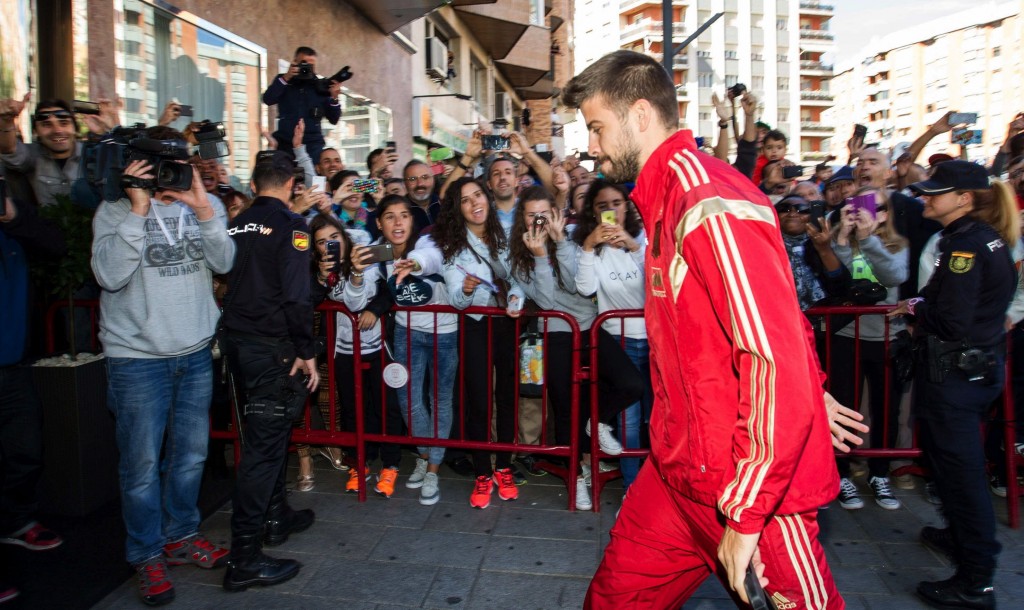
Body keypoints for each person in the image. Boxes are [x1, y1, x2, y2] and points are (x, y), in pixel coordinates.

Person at [564, 50, 853, 608]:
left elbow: (770, 349)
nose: (593, 146)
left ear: (640, 115)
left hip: (748, 487)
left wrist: (748, 508)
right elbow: (759, 313)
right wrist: (811, 386)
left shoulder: (708, 199)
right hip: (678, 472)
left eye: (597, 127)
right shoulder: (665, 198)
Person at [90, 126, 236, 605]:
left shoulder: (205, 206)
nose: (171, 173)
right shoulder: (114, 210)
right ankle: (147, 553)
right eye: (161, 165)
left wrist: (202, 209)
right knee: (141, 466)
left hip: (194, 352)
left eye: (180, 163)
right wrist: (137, 208)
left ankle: (181, 536)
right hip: (137, 360)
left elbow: (225, 262)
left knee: (191, 457)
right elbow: (109, 275)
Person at [889, 161, 1019, 609]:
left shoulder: (966, 246)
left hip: (956, 380)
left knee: (962, 479)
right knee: (952, 471)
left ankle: (976, 581)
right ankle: (960, 539)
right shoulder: (983, 238)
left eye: (935, 193)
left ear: (963, 199)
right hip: (970, 374)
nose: (925, 199)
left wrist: (914, 309)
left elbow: (951, 318)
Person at [220, 150, 320, 591]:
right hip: (272, 348)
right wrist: (306, 348)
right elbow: (296, 295)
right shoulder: (292, 225)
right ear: (292, 185)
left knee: (268, 438)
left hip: (239, 346)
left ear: (254, 183)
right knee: (262, 450)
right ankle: (243, 558)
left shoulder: (234, 223)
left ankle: (276, 517)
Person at [509, 185, 643, 511]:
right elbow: (545, 300)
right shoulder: (517, 257)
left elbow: (577, 287)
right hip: (557, 335)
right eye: (531, 215)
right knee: (566, 409)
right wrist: (540, 257)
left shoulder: (570, 237)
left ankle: (595, 422)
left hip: (591, 328)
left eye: (544, 213)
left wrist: (560, 243)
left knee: (631, 383)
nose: (539, 221)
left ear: (555, 213)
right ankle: (578, 476)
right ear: (522, 219)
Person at [432, 177, 524, 508]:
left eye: (477, 195)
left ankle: (504, 467)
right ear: (458, 210)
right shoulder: (453, 247)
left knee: (508, 398)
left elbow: (520, 279)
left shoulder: (507, 236)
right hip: (475, 327)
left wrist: (515, 298)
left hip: (507, 324)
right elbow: (457, 301)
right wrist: (467, 290)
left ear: (487, 197)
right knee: (479, 402)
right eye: (465, 200)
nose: (474, 203)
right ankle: (483, 472)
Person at [368, 195, 457, 505]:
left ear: (412, 220)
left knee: (440, 400)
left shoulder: (427, 241)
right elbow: (369, 285)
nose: (398, 222)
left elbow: (431, 258)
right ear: (379, 223)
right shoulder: (378, 253)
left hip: (444, 333)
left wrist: (414, 263)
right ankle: (425, 454)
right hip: (407, 332)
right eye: (389, 216)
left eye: (404, 215)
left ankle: (433, 468)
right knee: (407, 401)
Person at [0, 191, 67, 604]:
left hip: (13, 363)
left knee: (25, 449)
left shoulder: (14, 212)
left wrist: (12, 215)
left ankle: (15, 521)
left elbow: (55, 245)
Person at [830, 188, 909, 511]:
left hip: (886, 337)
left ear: (886, 214)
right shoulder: (837, 241)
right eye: (856, 206)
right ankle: (841, 474)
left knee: (886, 408)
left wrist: (868, 240)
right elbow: (845, 282)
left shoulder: (897, 245)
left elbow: (893, 276)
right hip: (846, 336)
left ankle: (880, 474)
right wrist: (843, 239)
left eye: (874, 207)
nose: (863, 212)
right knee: (843, 406)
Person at [571, 179, 650, 492]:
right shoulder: (590, 249)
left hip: (655, 342)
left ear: (627, 207)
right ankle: (632, 490)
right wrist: (589, 246)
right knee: (628, 421)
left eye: (617, 203)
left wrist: (633, 246)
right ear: (593, 212)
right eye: (603, 206)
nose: (611, 211)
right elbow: (585, 288)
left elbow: (656, 281)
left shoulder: (643, 239)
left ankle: (656, 488)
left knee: (655, 418)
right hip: (619, 340)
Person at [262, 46, 342, 164]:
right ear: (295, 62)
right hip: (285, 142)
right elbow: (268, 99)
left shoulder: (321, 86)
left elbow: (334, 119)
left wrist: (334, 98)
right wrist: (286, 77)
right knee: (282, 174)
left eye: (311, 65)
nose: (307, 68)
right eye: (304, 63)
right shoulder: (284, 81)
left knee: (311, 175)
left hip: (312, 145)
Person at [0, 96, 82, 206]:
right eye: (47, 125)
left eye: (64, 123)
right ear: (35, 131)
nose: (57, 130)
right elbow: (9, 150)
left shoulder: (92, 154)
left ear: (75, 128)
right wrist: (6, 121)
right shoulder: (32, 155)